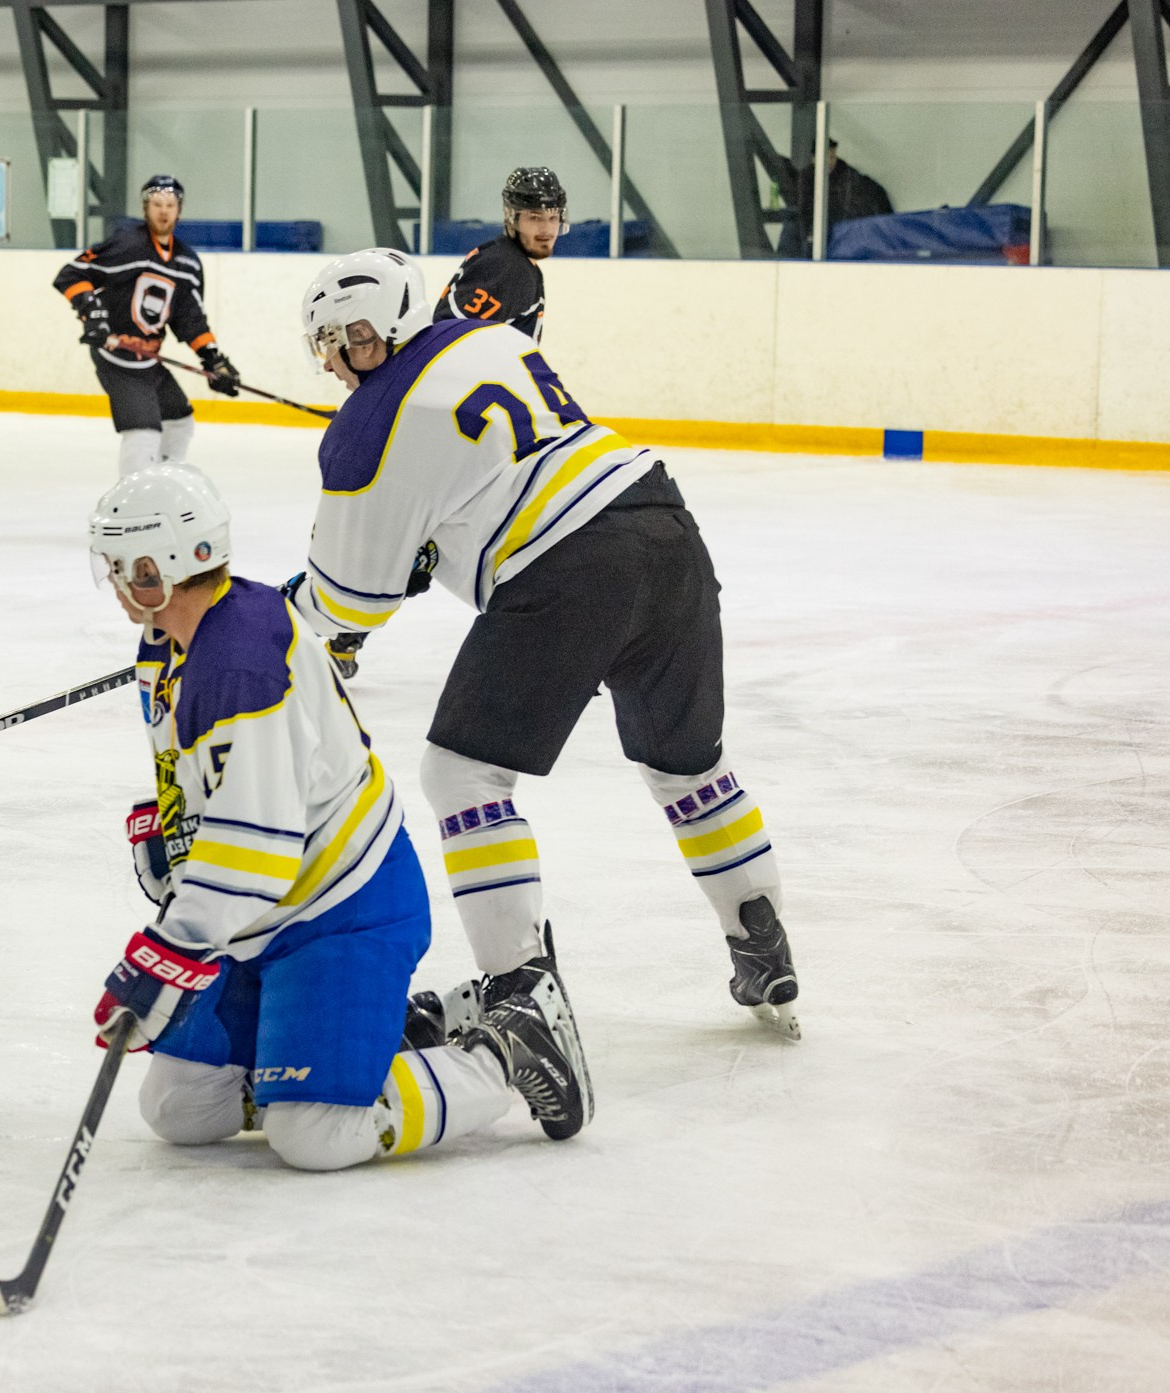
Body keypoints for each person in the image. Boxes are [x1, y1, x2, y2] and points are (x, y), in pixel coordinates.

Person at [286, 248, 800, 1039]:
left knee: (462, 775)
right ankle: (760, 941)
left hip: (571, 571)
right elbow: (495, 467)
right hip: (664, 526)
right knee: (688, 764)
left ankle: (520, 985)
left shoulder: (365, 426)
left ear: (372, 330)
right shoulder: (489, 337)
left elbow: (350, 600)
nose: (334, 365)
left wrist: (298, 617)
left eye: (338, 343)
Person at [85, 463, 593, 1169]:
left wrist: (172, 950)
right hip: (256, 923)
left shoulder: (241, 667)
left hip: (341, 910)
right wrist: (170, 823)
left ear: (158, 565)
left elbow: (256, 852)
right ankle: (396, 1031)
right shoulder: (168, 642)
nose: (113, 580)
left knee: (314, 1133)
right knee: (178, 1106)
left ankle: (508, 1048)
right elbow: (217, 785)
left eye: (119, 565)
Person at [53, 175, 244, 477]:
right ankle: (133, 503)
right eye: (157, 204)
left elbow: (190, 319)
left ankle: (165, 483)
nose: (163, 211)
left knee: (179, 421)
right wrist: (94, 314)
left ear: (179, 209)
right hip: (116, 354)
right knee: (143, 433)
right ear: (146, 207)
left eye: (170, 204)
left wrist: (212, 358)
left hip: (148, 360)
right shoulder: (127, 244)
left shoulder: (188, 264)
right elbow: (71, 275)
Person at [430, 165, 563, 342]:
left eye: (553, 218)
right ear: (511, 218)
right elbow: (450, 339)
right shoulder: (506, 267)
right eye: (535, 217)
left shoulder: (515, 262)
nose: (546, 229)